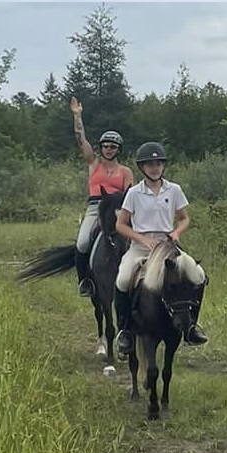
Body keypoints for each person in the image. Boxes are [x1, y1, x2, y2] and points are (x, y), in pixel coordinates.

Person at [113, 141, 208, 356]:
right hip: (141, 247)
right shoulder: (135, 193)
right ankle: (125, 330)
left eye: (158, 163)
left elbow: (184, 219)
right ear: (142, 167)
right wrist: (141, 239)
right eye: (149, 164)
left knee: (199, 275)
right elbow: (120, 225)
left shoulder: (174, 189)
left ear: (163, 166)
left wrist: (176, 233)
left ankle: (192, 326)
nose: (154, 167)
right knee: (123, 279)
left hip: (167, 246)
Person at [71, 96, 134, 297]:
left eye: (113, 147)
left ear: (118, 149)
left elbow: (129, 195)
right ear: (101, 148)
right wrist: (77, 116)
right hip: (95, 208)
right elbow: (81, 139)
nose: (108, 149)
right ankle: (85, 281)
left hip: (118, 210)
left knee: (134, 241)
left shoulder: (126, 171)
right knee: (82, 243)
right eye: (106, 146)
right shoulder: (93, 164)